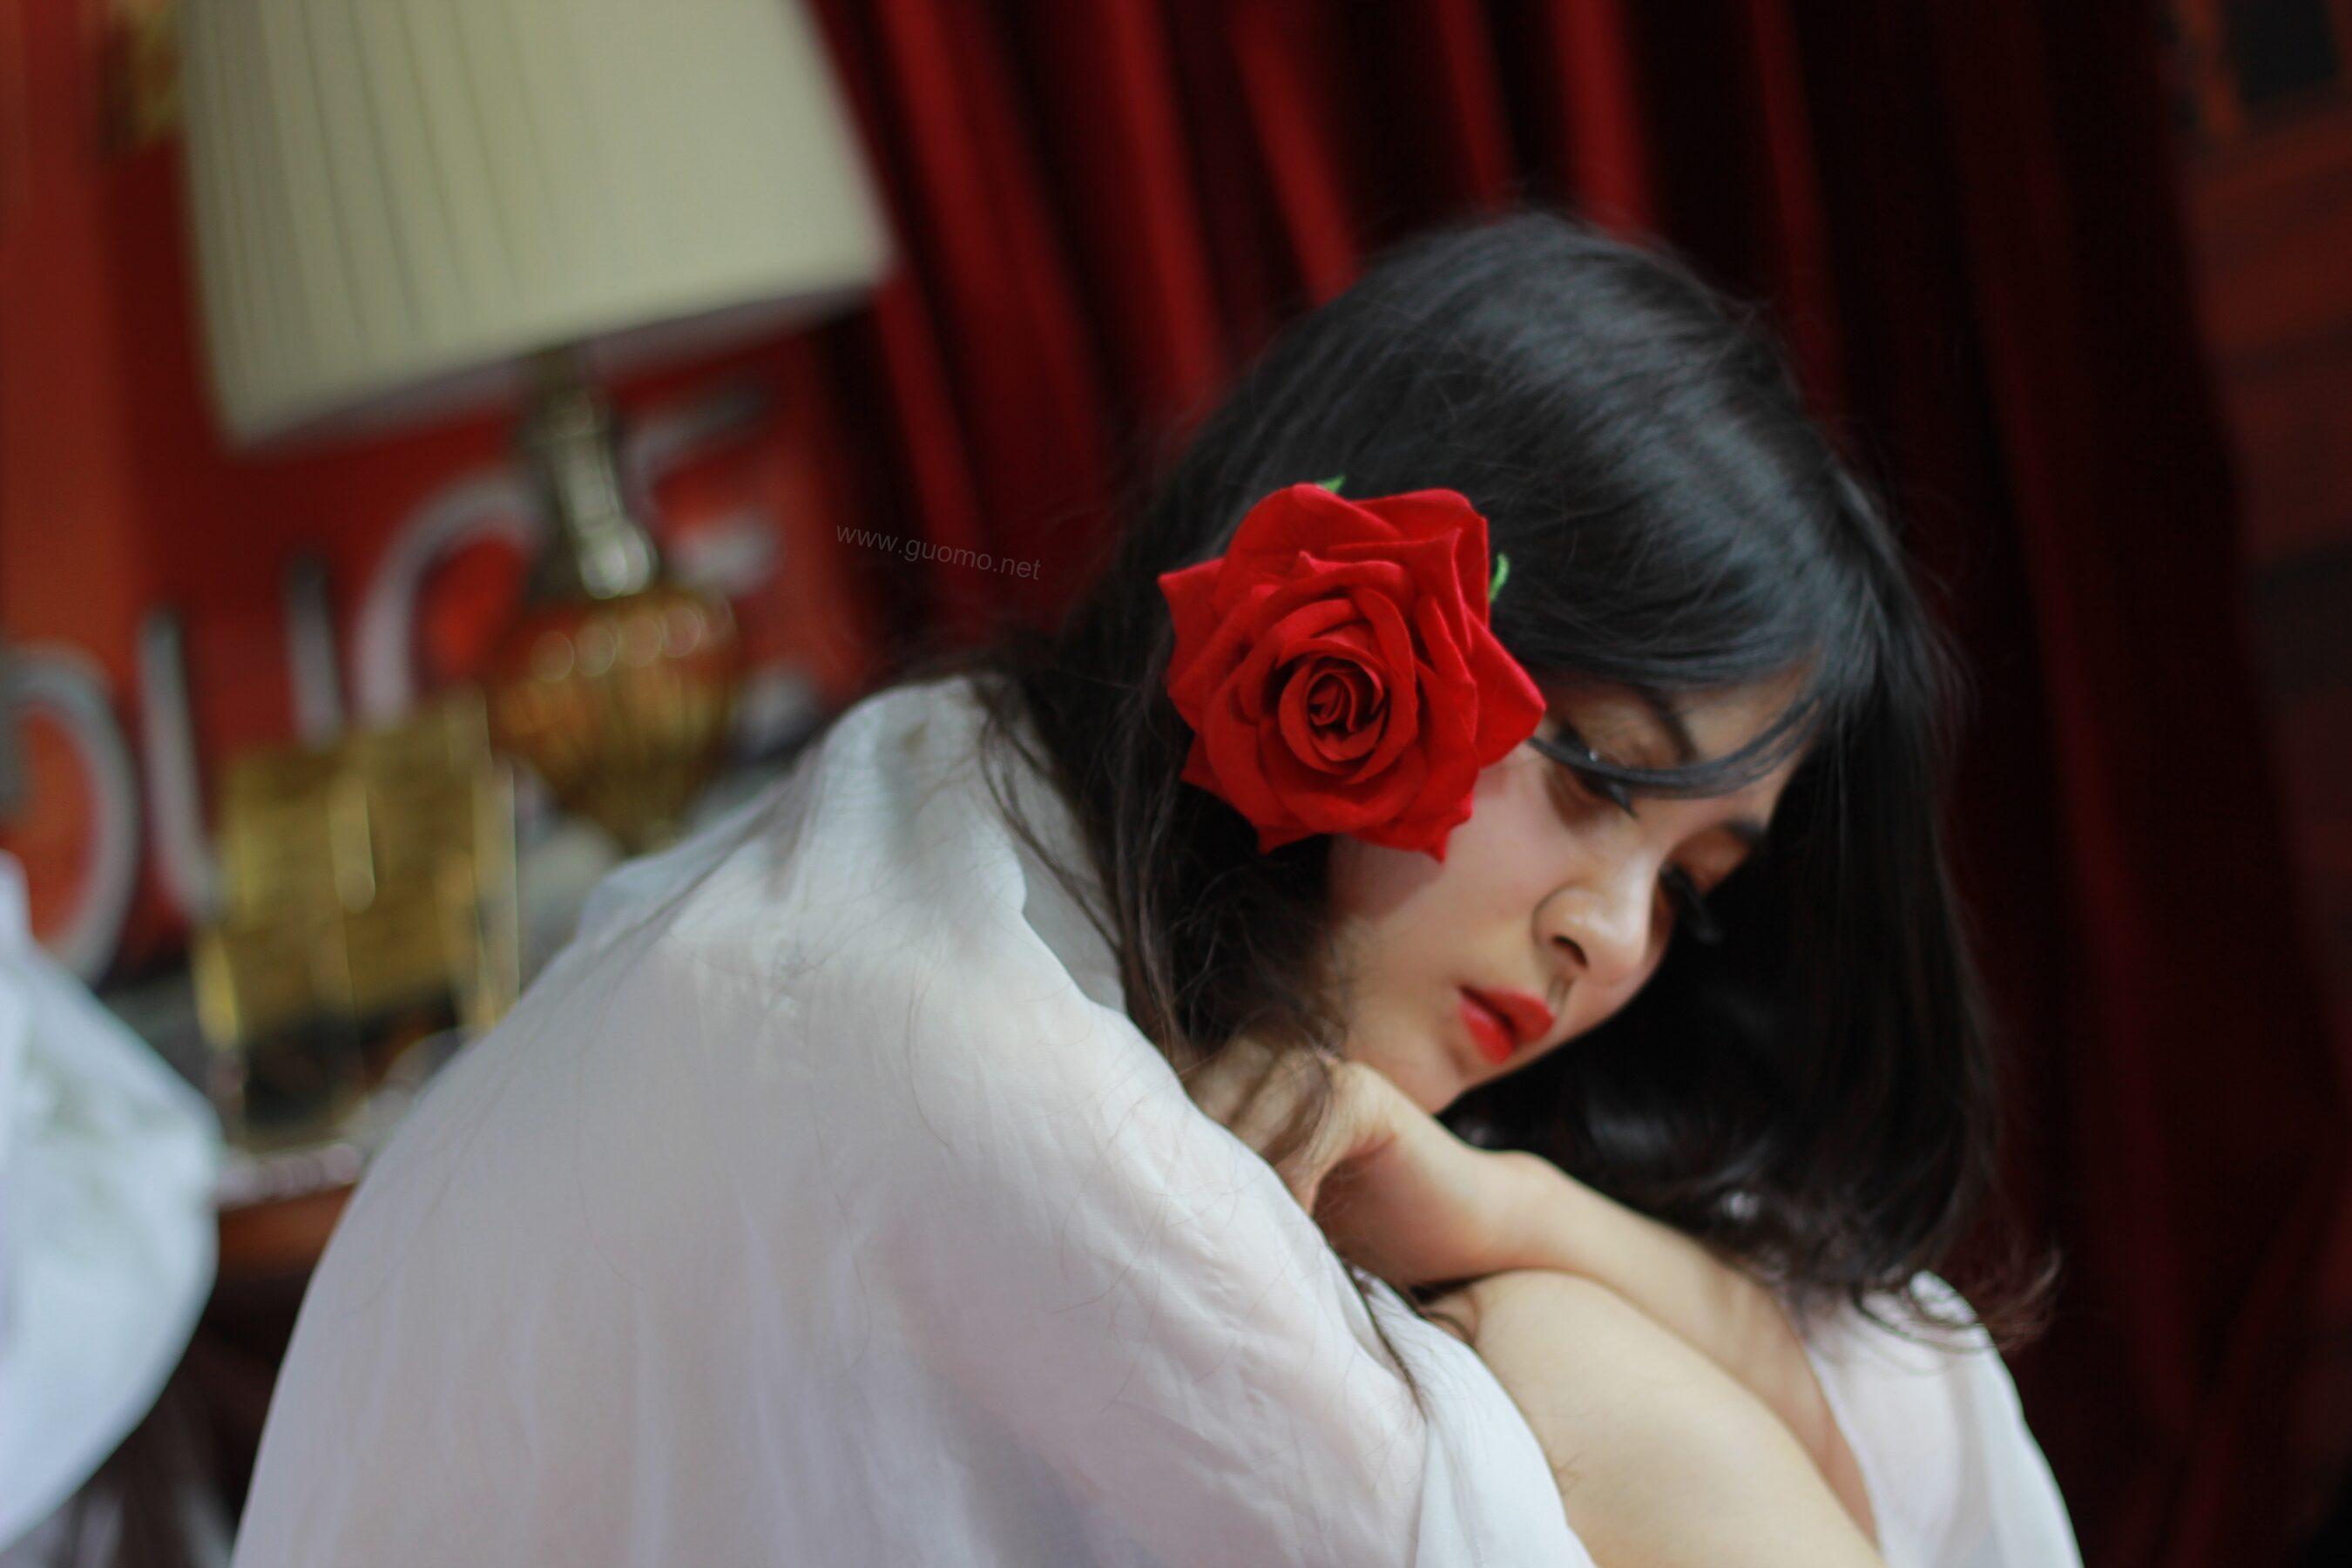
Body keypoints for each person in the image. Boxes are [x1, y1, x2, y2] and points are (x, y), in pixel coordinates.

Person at [230, 209, 2079, 1565]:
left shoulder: (973, 811)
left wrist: (1502, 1206)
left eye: (1694, 884)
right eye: (1592, 777)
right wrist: (1540, 1278)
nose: (1612, 937)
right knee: (1577, 1369)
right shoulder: (1020, 1096)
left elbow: (1887, 1385)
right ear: (1329, 605)